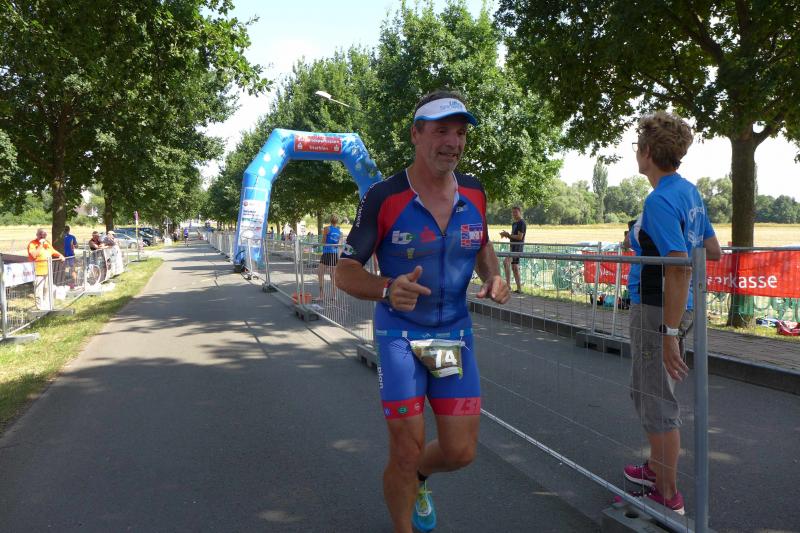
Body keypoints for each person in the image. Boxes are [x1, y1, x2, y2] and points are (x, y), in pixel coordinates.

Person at [335, 90, 509, 533]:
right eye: (441, 131)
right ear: (416, 134)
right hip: (400, 337)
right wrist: (387, 288)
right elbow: (345, 272)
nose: (453, 142)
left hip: (449, 338)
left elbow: (482, 245)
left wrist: (493, 275)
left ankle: (419, 479)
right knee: (406, 450)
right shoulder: (384, 196)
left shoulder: (475, 192)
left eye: (460, 133)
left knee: (459, 452)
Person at [624, 111, 721, 515]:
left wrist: (667, 332)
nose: (637, 153)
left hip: (656, 310)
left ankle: (667, 495)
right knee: (653, 391)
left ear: (647, 152)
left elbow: (679, 265)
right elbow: (712, 250)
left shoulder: (660, 199)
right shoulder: (689, 192)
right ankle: (654, 468)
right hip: (677, 309)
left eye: (638, 147)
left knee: (655, 399)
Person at [27, 228, 65, 310]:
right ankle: (40, 308)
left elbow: (53, 251)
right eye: (40, 234)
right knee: (39, 290)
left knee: (47, 289)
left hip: (47, 271)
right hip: (37, 271)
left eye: (44, 234)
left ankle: (47, 306)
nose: (42, 236)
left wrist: (60, 255)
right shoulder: (32, 244)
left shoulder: (47, 243)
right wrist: (40, 245)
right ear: (37, 235)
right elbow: (33, 255)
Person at [499, 206, 526, 293]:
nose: (514, 214)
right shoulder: (514, 224)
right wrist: (506, 235)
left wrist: (508, 235)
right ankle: (519, 289)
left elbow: (520, 237)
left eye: (516, 212)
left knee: (506, 262)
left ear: (520, 212)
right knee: (514, 267)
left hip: (518, 248)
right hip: (512, 247)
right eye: (513, 212)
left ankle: (508, 286)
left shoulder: (522, 223)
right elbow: (513, 236)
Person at [317, 215, 341, 301]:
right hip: (335, 254)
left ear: (330, 220)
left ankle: (321, 295)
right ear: (337, 222)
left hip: (327, 253)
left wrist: (320, 244)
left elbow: (323, 242)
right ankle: (334, 296)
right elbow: (338, 243)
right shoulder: (339, 231)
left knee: (320, 273)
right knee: (333, 276)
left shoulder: (327, 229)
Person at [62, 225, 78, 289]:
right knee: (71, 269)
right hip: (69, 256)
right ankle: (74, 282)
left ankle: (68, 282)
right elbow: (76, 246)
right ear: (69, 230)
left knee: (66, 269)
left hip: (64, 256)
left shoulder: (61, 237)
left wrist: (73, 245)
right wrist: (73, 245)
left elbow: (76, 246)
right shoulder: (72, 237)